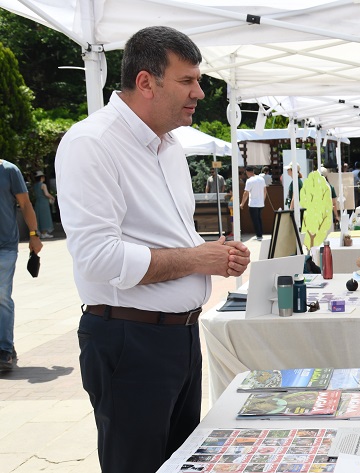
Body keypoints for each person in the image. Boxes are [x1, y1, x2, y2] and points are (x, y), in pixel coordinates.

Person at [55, 26, 251, 473]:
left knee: (181, 463)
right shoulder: (92, 143)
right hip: (130, 340)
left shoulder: (169, 145)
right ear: (146, 82)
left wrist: (211, 251)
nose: (199, 93)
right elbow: (99, 258)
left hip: (176, 336)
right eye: (187, 81)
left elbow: (165, 236)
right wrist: (200, 258)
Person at [1, 160, 43, 371]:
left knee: (1, 295)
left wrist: (34, 235)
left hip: (4, 245)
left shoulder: (9, 171)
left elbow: (25, 204)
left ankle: (3, 349)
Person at [241, 165, 265, 240]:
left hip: (253, 203)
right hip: (261, 203)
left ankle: (259, 235)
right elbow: (265, 191)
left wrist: (242, 203)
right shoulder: (261, 179)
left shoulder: (249, 181)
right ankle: (260, 234)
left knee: (255, 220)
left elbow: (246, 193)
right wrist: (263, 200)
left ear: (247, 172)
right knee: (259, 219)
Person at [32, 171, 56, 238]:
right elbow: (46, 194)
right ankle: (44, 233)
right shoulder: (43, 185)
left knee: (39, 217)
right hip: (43, 203)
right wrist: (52, 197)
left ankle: (40, 232)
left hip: (38, 202)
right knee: (45, 217)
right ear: (42, 177)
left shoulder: (35, 185)